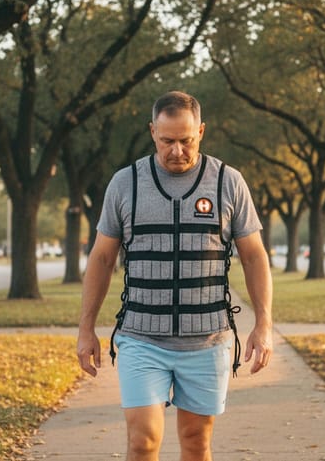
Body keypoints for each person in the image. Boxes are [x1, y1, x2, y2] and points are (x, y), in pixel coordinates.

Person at [77, 90, 273, 461]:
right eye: (168, 141)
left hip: (208, 341)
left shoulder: (228, 182)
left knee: (196, 442)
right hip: (141, 339)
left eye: (186, 140)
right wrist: (86, 329)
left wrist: (263, 324)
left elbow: (254, 257)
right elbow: (102, 259)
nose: (177, 151)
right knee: (143, 441)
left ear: (201, 131)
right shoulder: (125, 183)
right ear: (152, 132)